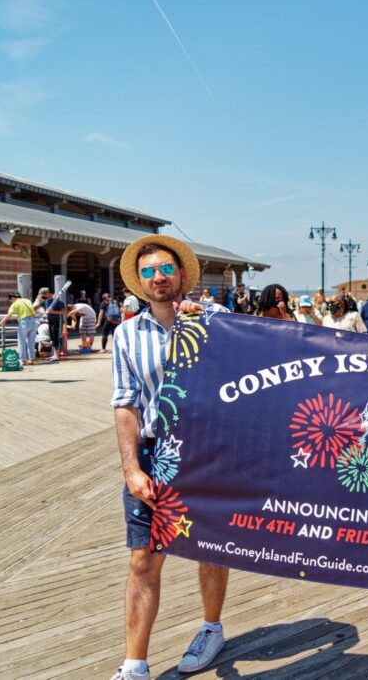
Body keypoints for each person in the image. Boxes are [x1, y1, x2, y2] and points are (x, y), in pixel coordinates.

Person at [110, 234, 231, 679]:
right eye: (148, 272)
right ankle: (134, 664)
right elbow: (125, 403)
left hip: (208, 449)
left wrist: (208, 331)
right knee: (143, 559)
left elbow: (254, 369)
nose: (158, 277)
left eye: (165, 269)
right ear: (140, 283)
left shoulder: (217, 320)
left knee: (211, 547)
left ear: (181, 274)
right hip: (154, 450)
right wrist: (131, 468)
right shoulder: (126, 333)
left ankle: (211, 628)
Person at [0, 291, 37, 366]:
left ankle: (23, 360)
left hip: (24, 322)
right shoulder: (27, 300)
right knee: (31, 342)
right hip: (33, 321)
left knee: (21, 342)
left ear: (12, 298)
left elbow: (9, 315)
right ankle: (31, 359)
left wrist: (0, 323)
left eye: (10, 300)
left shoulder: (15, 304)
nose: (10, 302)